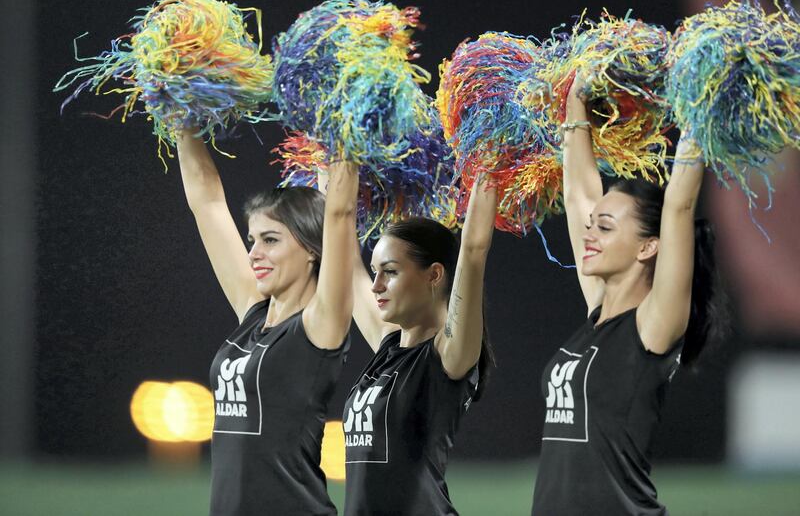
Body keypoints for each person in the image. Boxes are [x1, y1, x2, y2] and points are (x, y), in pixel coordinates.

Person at [530, 74, 727, 515]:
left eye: (605, 227)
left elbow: (678, 204)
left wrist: (699, 98)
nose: (589, 234)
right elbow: (579, 191)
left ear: (648, 246)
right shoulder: (597, 311)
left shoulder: (654, 326)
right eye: (591, 225)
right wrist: (576, 98)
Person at [176, 129, 358, 516]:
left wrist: (343, 124)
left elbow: (339, 213)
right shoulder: (253, 314)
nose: (254, 253)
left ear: (312, 249)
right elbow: (206, 201)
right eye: (252, 239)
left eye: (271, 240)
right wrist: (179, 110)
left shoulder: (318, 327)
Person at [342, 177, 497, 515]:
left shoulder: (448, 356)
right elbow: (346, 260)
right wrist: (334, 156)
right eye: (376, 272)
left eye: (391, 272)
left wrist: (486, 165)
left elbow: (473, 249)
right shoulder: (387, 349)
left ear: (434, 275)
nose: (376, 286)